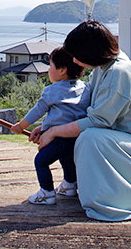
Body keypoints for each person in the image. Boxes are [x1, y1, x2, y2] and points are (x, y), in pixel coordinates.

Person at [37, 20, 131, 222]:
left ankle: (109, 199)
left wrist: (53, 132)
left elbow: (96, 122)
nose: (74, 60)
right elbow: (83, 110)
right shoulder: (103, 68)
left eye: (78, 55)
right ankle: (98, 193)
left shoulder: (119, 72)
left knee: (89, 138)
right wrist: (48, 127)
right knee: (87, 137)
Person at [11, 46, 91, 205]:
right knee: (67, 160)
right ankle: (69, 185)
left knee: (41, 161)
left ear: (61, 70)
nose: (48, 70)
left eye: (50, 66)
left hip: (59, 138)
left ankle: (47, 192)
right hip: (77, 137)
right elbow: (64, 116)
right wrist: (43, 128)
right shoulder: (85, 88)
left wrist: (21, 125)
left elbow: (38, 111)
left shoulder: (51, 91)